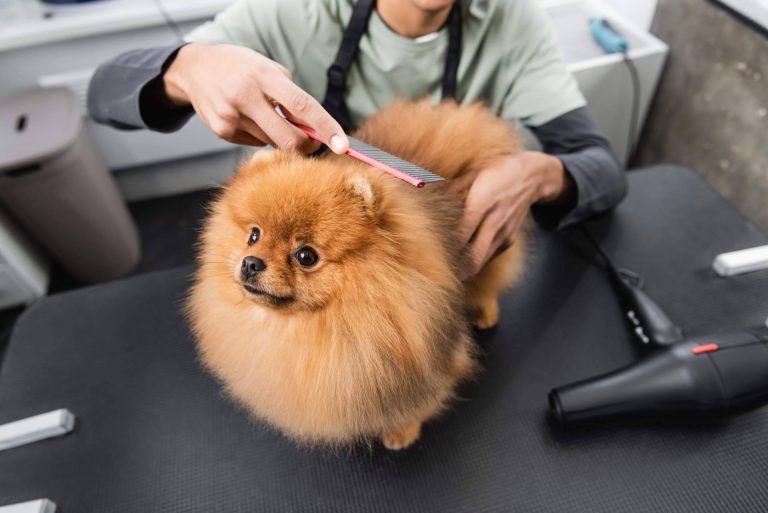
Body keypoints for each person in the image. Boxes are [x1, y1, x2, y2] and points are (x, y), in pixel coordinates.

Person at [87, 0, 626, 276]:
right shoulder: (295, 11)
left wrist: (539, 174)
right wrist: (186, 68)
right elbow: (104, 91)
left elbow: (601, 167)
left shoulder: (514, 22)